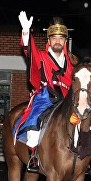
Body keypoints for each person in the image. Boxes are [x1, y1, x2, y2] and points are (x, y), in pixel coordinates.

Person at [15, 11, 75, 172]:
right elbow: (29, 51)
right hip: (45, 97)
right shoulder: (41, 56)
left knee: (86, 121)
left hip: (67, 99)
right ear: (48, 40)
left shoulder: (72, 62)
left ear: (65, 41)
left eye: (61, 38)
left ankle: (84, 158)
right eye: (54, 38)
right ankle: (34, 156)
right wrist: (27, 32)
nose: (57, 41)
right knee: (35, 122)